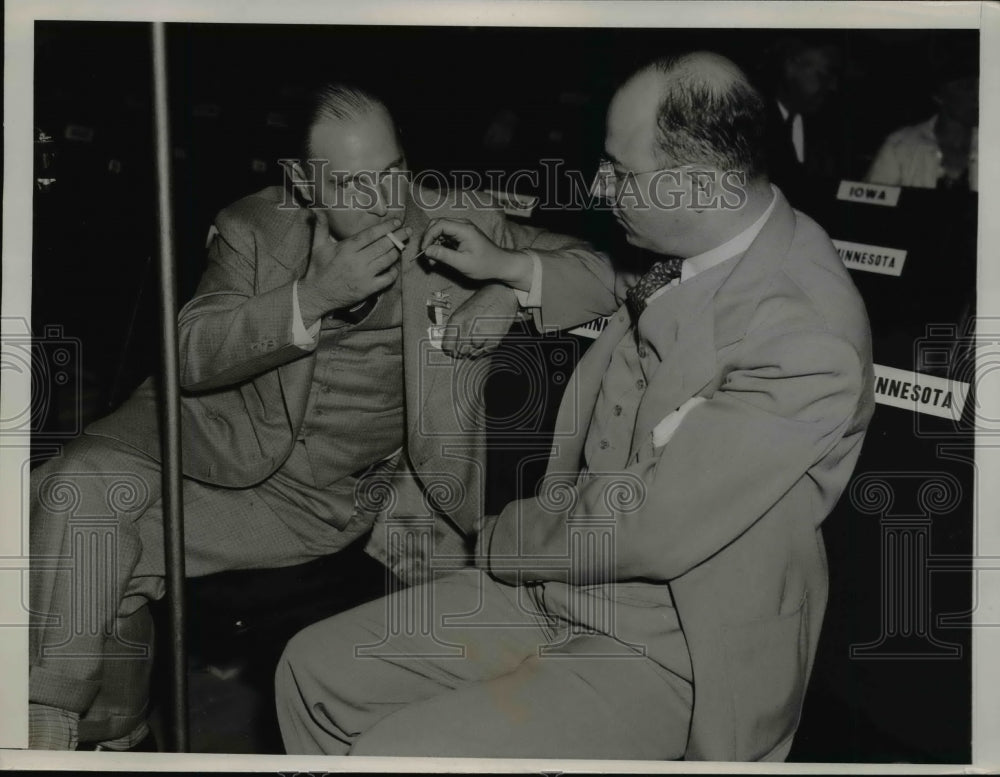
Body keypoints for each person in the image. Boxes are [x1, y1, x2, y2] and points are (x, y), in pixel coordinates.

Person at [275, 52, 875, 762]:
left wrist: (496, 540)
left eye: (621, 172)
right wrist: (507, 274)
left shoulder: (807, 336)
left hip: (667, 645)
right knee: (310, 671)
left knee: (398, 750)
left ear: (701, 185)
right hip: (557, 586)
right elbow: (612, 280)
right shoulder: (707, 238)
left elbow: (646, 526)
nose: (598, 185)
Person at [28, 83, 608, 751]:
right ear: (305, 182)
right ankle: (60, 729)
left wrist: (510, 277)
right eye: (356, 185)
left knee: (85, 556)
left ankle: (107, 736)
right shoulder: (255, 227)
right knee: (78, 499)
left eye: (392, 173)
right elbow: (189, 351)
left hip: (333, 498)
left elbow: (603, 270)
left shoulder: (458, 218)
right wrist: (311, 298)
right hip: (221, 456)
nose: (386, 201)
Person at [760, 36, 844, 207]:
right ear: (791, 66)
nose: (833, 86)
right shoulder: (752, 124)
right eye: (824, 75)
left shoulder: (826, 129)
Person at [865, 74, 978, 191]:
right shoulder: (900, 144)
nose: (977, 95)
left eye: (980, 86)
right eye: (966, 87)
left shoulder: (993, 145)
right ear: (938, 96)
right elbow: (871, 202)